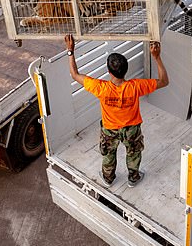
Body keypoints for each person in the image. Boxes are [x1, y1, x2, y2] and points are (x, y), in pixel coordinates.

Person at [64, 34, 169, 188]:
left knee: (108, 155)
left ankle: (108, 178)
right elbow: (164, 81)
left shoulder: (101, 88)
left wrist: (70, 51)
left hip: (109, 130)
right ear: (126, 70)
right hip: (131, 129)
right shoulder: (135, 86)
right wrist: (157, 57)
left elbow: (74, 74)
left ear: (109, 71)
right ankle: (133, 178)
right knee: (134, 153)